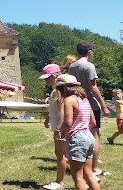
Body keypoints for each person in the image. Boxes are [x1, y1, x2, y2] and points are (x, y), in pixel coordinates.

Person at [67, 41, 110, 178]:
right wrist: (103, 105)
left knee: (80, 132)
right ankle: (94, 168)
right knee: (95, 135)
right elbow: (93, 87)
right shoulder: (89, 66)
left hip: (77, 103)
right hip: (90, 103)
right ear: (89, 51)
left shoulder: (72, 66)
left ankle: (84, 165)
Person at [57, 74, 100, 190]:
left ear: (64, 88)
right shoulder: (85, 100)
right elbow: (93, 123)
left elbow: (68, 123)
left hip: (77, 138)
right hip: (88, 136)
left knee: (78, 176)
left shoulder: (69, 100)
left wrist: (58, 130)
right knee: (89, 174)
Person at [39, 64, 67, 190]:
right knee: (68, 154)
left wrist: (58, 128)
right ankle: (87, 176)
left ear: (56, 75)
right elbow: (55, 109)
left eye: (48, 77)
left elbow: (62, 110)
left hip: (61, 128)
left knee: (60, 154)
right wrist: (48, 118)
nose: (46, 80)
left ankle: (59, 182)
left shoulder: (57, 90)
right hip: (60, 126)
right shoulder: (56, 90)